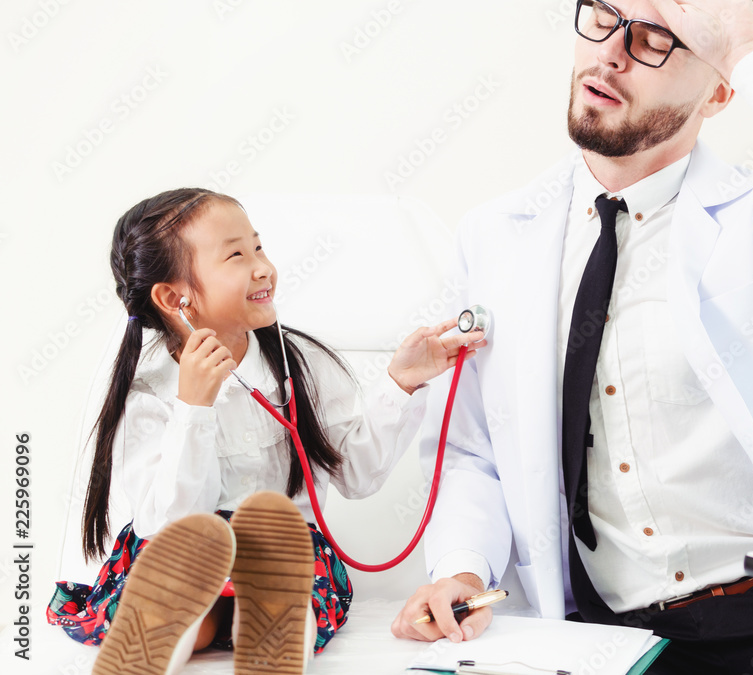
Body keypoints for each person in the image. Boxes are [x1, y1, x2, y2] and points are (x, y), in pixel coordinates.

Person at [392, 0, 753, 671]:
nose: (613, 53)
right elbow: (473, 449)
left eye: (657, 38)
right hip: (614, 637)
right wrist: (460, 568)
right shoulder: (495, 237)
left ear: (719, 91)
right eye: (603, 15)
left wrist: (744, 43)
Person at [46, 187, 484, 674]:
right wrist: (193, 407)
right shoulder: (147, 395)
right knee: (195, 595)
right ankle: (172, 625)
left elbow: (356, 474)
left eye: (258, 247)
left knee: (279, 581)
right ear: (175, 298)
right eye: (236, 255)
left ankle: (271, 623)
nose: (263, 267)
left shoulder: (301, 366)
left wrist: (402, 382)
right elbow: (169, 523)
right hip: (180, 550)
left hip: (282, 552)